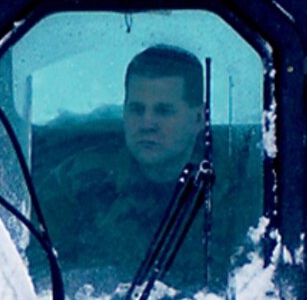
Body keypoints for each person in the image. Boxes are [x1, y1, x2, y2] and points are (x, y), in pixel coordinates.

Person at [33, 45, 209, 277]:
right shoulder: (75, 184)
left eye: (163, 111)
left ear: (198, 118)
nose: (147, 124)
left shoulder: (234, 192)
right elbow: (30, 278)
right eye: (136, 109)